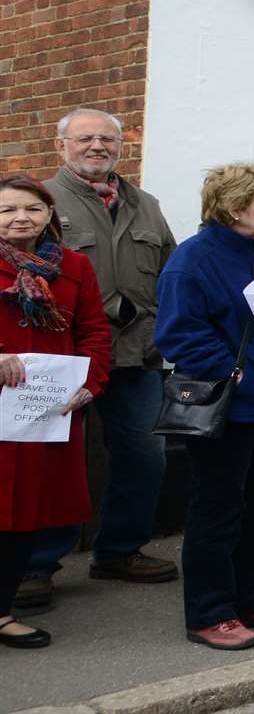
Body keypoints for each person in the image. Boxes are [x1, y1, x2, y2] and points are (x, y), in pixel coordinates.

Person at [158, 162, 254, 650]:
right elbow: (178, 334)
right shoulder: (193, 260)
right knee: (218, 510)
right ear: (234, 207)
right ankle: (210, 613)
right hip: (227, 408)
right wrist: (226, 367)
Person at [22, 110, 177, 610]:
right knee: (52, 461)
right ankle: (36, 565)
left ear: (121, 146)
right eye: (84, 138)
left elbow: (171, 276)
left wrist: (166, 335)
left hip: (136, 355)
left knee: (145, 458)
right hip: (62, 358)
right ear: (61, 145)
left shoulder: (146, 204)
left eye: (107, 138)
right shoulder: (40, 202)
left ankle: (118, 550)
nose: (97, 146)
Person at [0, 175, 111, 650]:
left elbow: (93, 331)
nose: (20, 217)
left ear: (49, 215)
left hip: (45, 412)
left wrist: (91, 384)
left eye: (31, 208)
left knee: (27, 513)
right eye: (7, 210)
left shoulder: (75, 266)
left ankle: (3, 612)